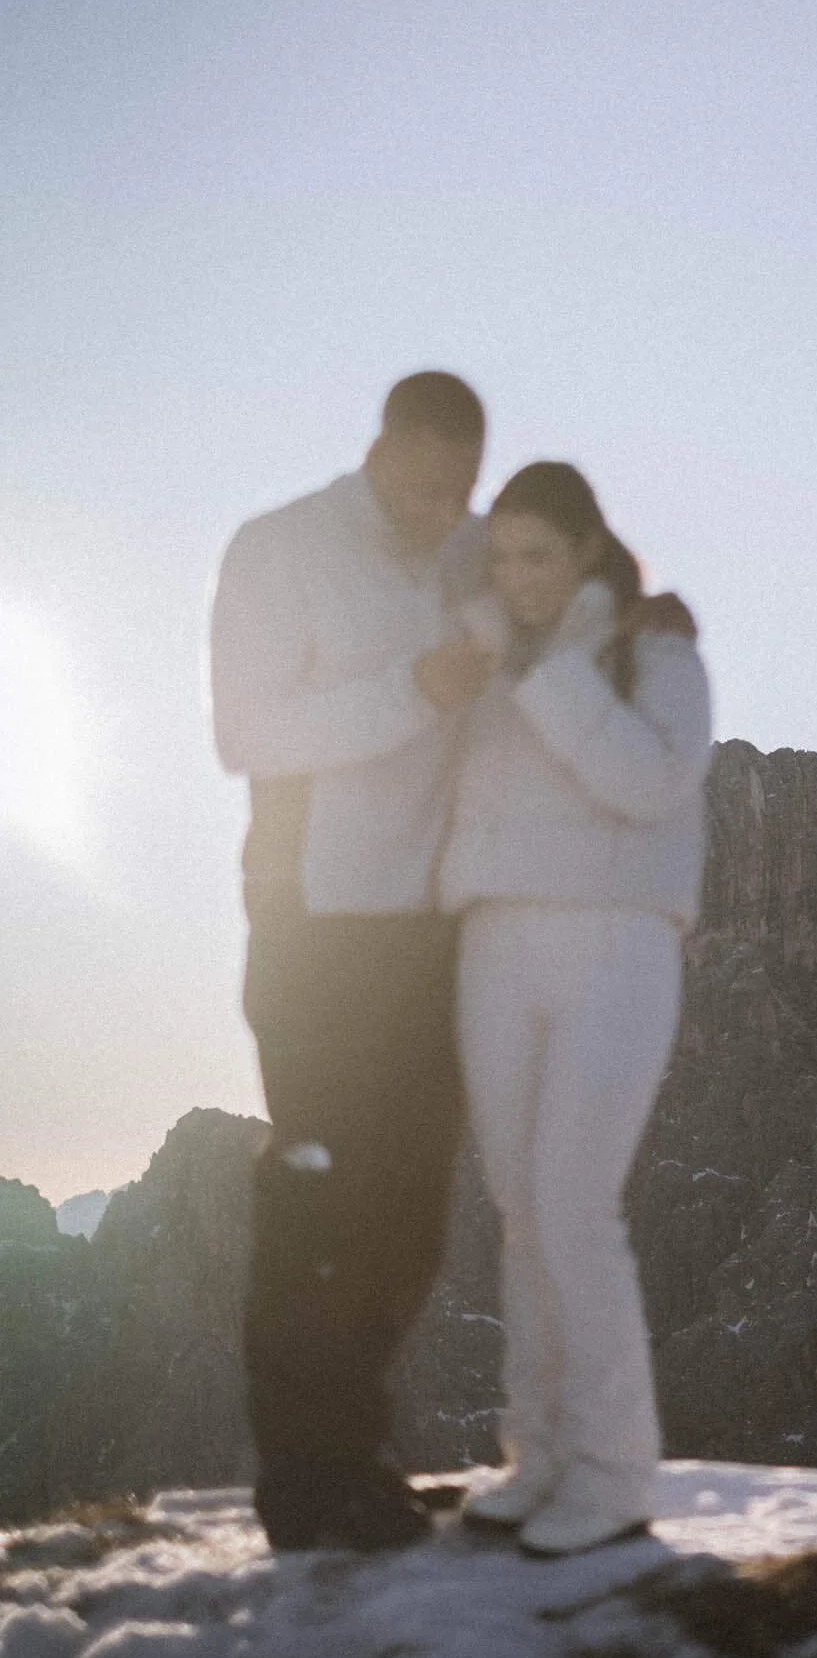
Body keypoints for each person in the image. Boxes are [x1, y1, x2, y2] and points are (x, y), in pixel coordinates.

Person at [210, 372, 494, 1550]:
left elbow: (559, 595)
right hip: (316, 925)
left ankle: (355, 1455)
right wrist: (408, 690)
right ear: (384, 447)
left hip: (433, 931)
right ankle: (305, 1484)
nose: (445, 512)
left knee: (410, 1212)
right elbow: (247, 730)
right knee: (317, 1195)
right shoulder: (279, 548)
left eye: (462, 492)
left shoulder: (472, 550)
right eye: (430, 486)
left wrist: (647, 618)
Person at [438, 461, 711, 1556]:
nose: (517, 575)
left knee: (571, 1201)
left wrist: (549, 672)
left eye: (537, 554)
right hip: (494, 941)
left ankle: (612, 1471)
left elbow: (652, 781)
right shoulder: (489, 660)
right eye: (502, 556)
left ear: (586, 550)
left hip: (616, 937)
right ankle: (539, 1455)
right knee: (518, 1207)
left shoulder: (657, 647)